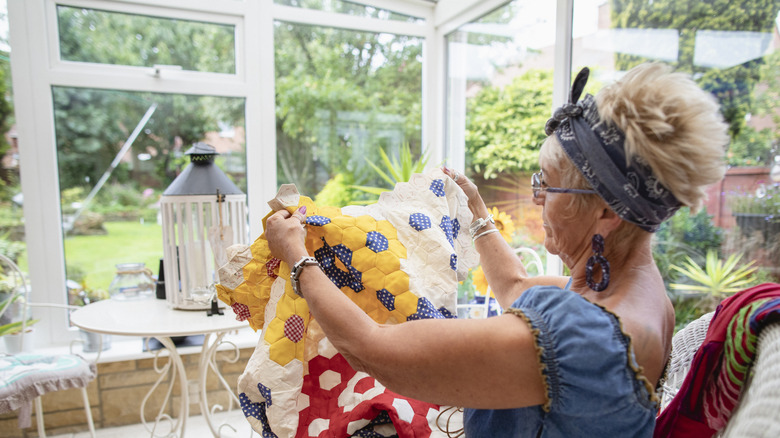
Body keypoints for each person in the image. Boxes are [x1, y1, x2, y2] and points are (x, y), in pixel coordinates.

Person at [264, 62, 729, 437]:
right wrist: (479, 214)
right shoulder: (639, 296)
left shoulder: (581, 337)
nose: (537, 200)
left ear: (607, 210)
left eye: (547, 187)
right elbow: (515, 285)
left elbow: (374, 350)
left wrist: (297, 256)